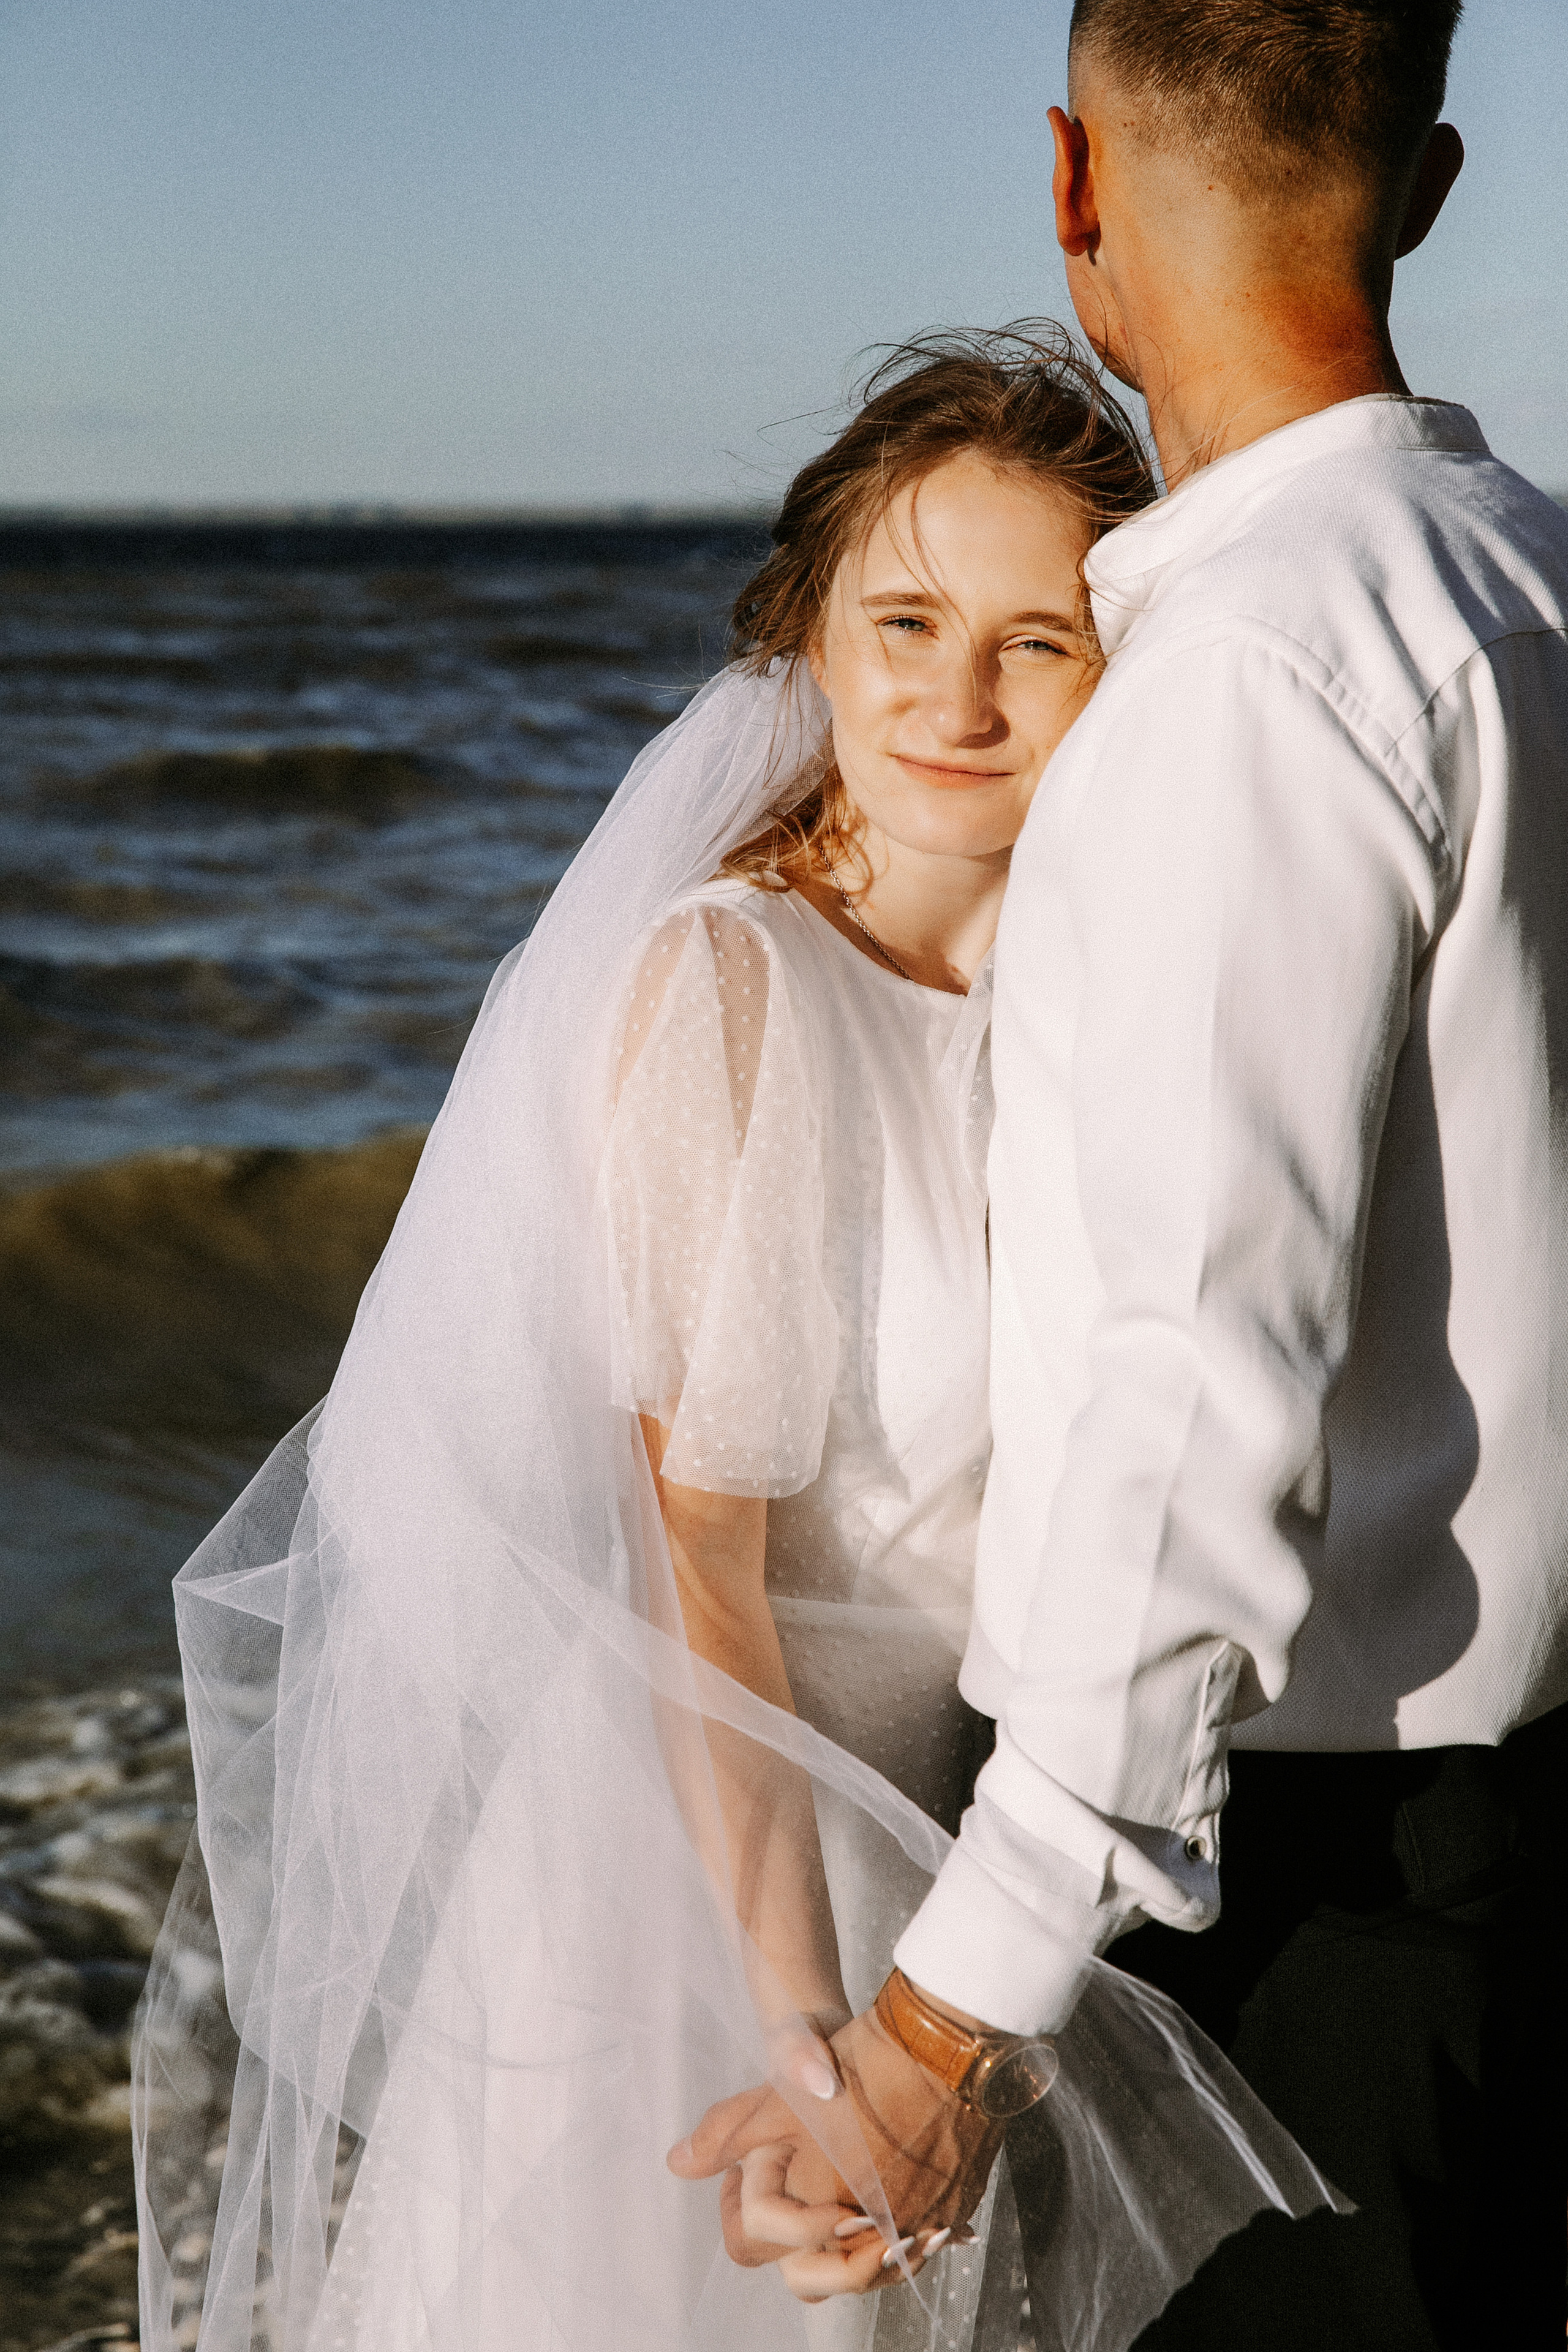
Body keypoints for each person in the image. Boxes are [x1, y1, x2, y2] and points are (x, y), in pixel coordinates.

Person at [132, 331, 1337, 2352]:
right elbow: (705, 1566)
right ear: (810, 633)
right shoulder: (739, 991)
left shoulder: (1093, 1000)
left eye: (1035, 642)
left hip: (978, 1853)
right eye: (905, 621)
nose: (957, 698)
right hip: (719, 1868)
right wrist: (799, 2016)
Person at [676, 3, 1568, 2346]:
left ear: (1073, 182)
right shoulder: (1530, 587)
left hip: (1319, 1899)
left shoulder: (1248, 680)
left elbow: (1193, 1398)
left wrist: (946, 2021)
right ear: (1431, 184)